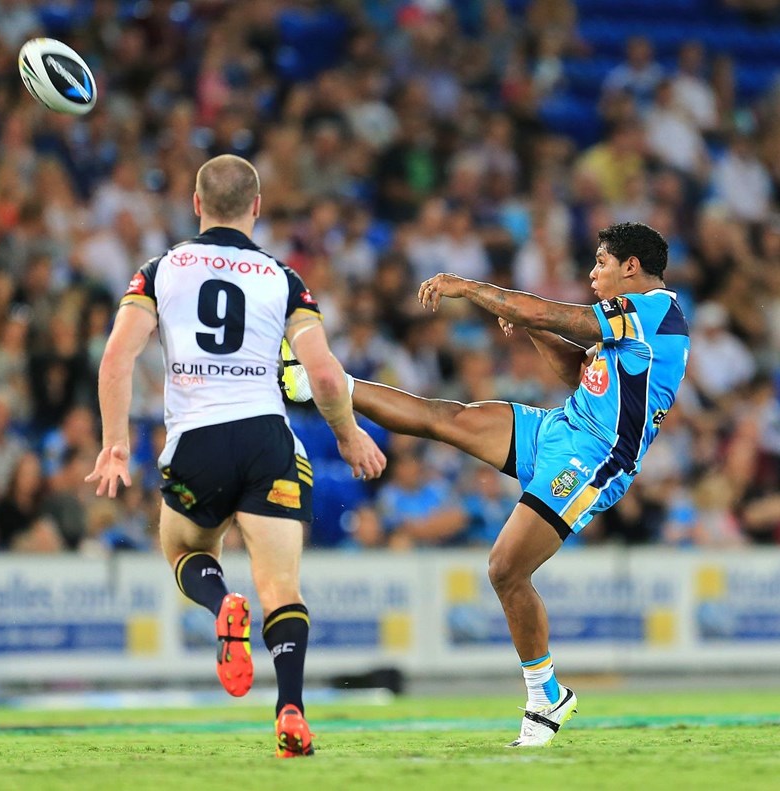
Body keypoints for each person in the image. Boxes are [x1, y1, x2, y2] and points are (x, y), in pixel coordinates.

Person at [283, 222, 689, 747]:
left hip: (593, 458)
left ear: (630, 267)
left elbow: (552, 313)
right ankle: (326, 383)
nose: (593, 273)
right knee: (447, 418)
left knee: (504, 569)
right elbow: (579, 373)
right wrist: (530, 328)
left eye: (601, 263)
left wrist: (469, 288)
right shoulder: (637, 323)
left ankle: (546, 695)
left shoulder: (655, 312)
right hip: (563, 429)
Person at [85, 154, 386, 758]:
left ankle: (222, 603)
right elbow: (325, 375)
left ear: (197, 204)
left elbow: (117, 357)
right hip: (267, 440)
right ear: (257, 207)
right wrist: (348, 434)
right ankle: (291, 710)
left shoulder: (159, 270)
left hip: (197, 440)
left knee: (185, 549)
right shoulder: (284, 278)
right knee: (281, 585)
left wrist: (115, 444)